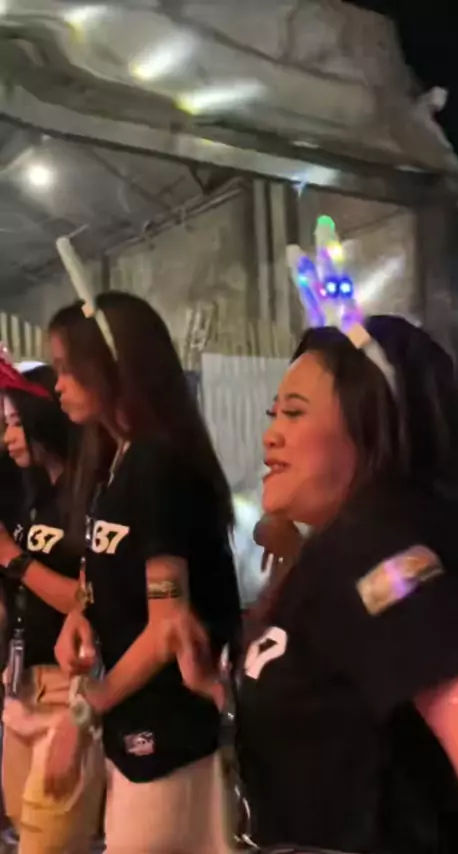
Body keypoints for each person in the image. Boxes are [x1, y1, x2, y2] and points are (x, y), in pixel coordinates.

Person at [235, 317, 458, 853]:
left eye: (295, 412)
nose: (271, 434)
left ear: (373, 424)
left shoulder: (377, 551)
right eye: (274, 414)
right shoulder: (336, 552)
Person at [46, 292, 240, 854]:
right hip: (138, 731)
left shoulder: (157, 463)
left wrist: (83, 711)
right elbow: (122, 572)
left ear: (114, 365)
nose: (58, 386)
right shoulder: (120, 461)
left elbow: (167, 627)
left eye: (68, 369)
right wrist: (83, 611)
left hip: (173, 735)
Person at [0, 364, 104, 854]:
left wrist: (14, 559)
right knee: (26, 832)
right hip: (21, 685)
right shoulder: (31, 495)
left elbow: (88, 598)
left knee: (50, 842)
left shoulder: (90, 496)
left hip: (70, 688)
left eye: (15, 423)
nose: (8, 437)